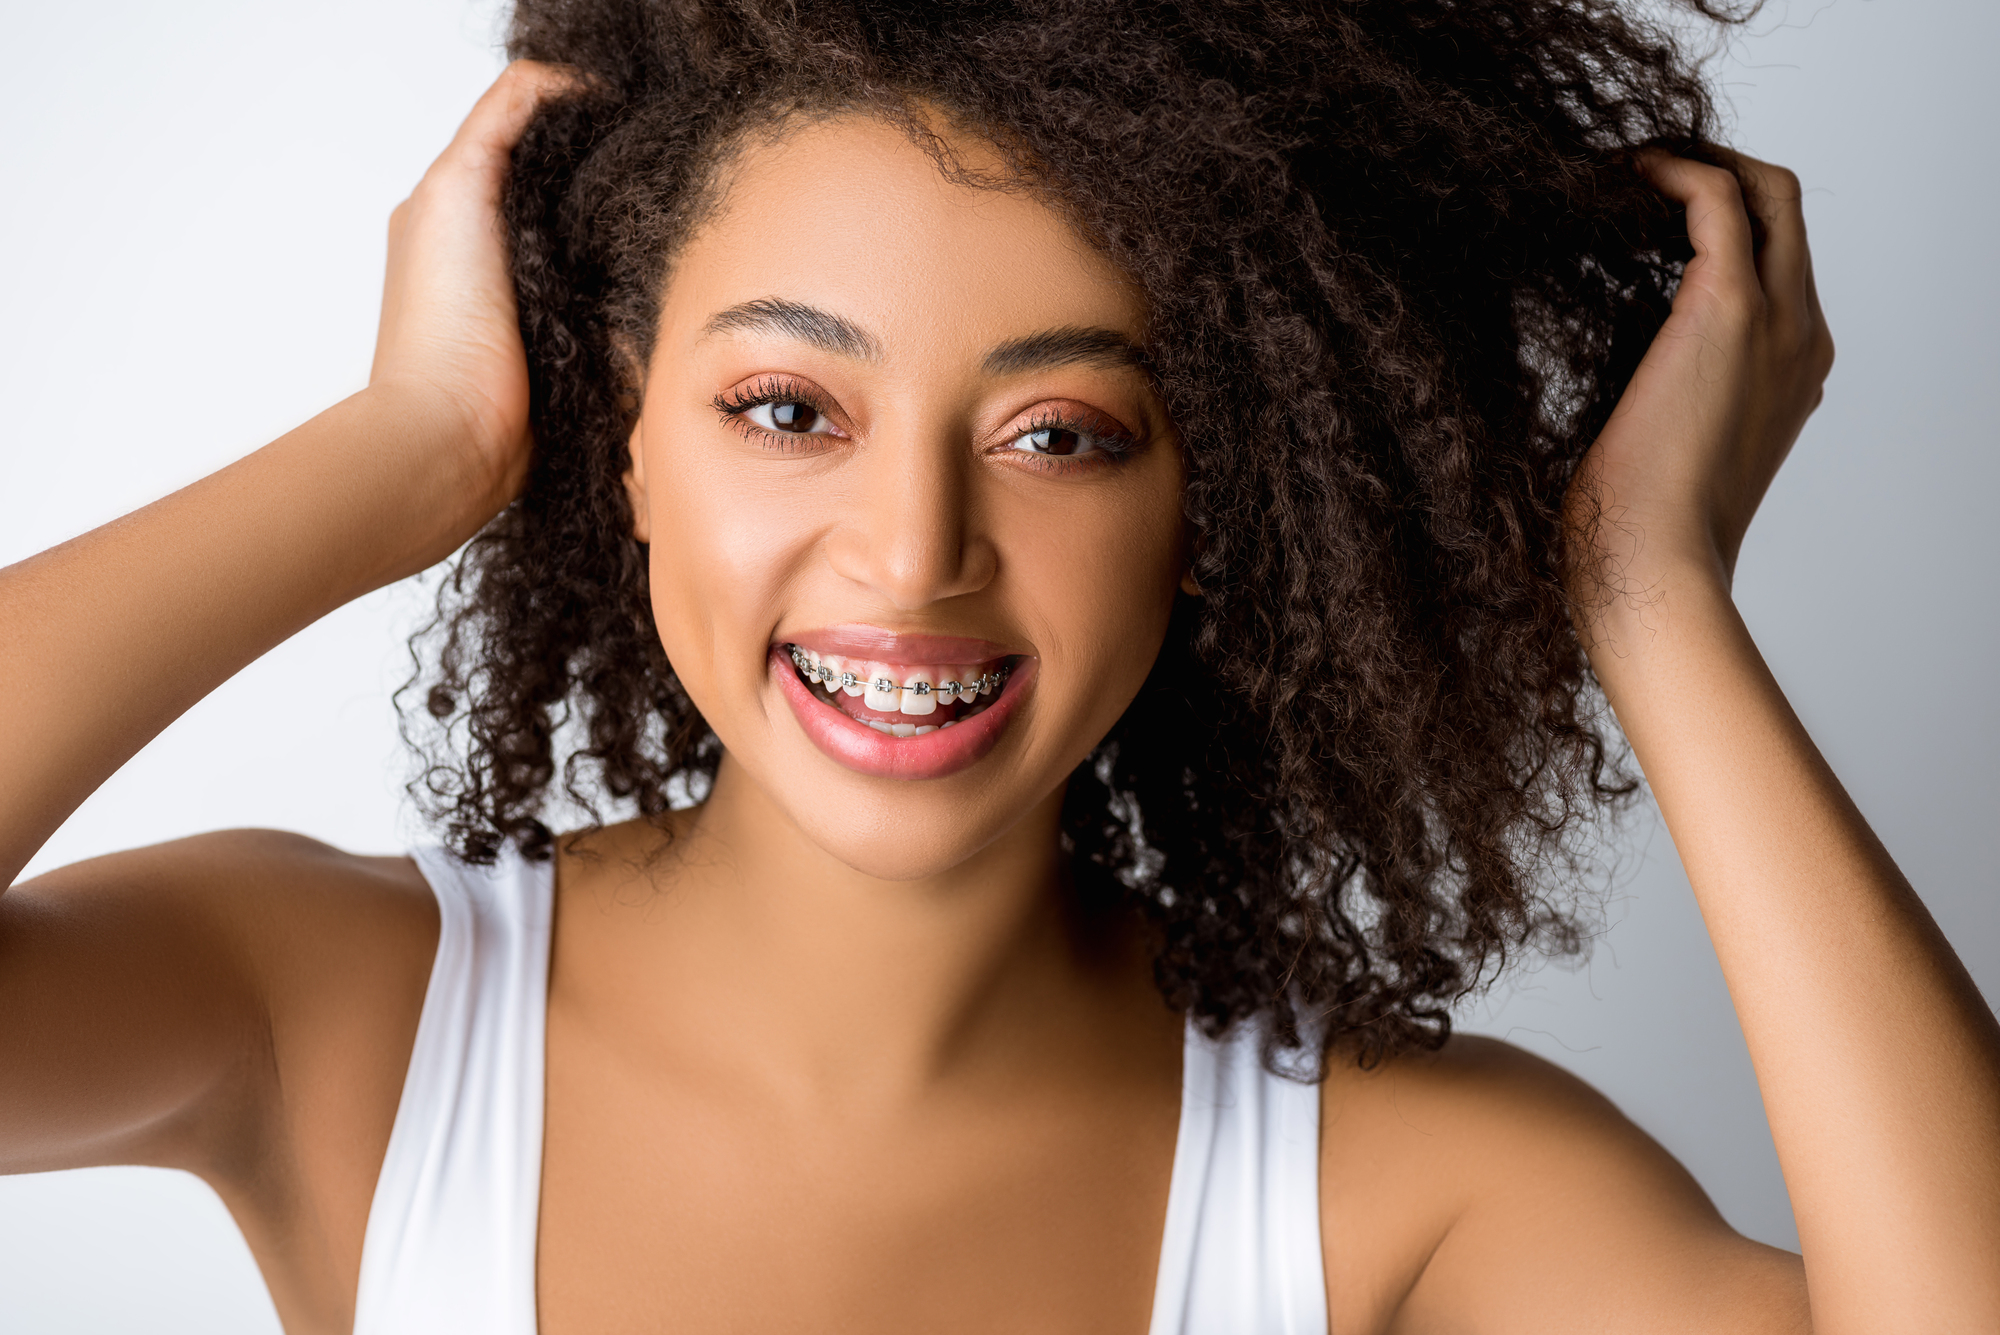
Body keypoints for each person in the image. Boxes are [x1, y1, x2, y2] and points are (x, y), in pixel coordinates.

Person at [2, 0, 1995, 1331]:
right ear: (620, 429)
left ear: (1232, 497)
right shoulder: (335, 1012)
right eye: (787, 406)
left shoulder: (1392, 1180)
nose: (912, 555)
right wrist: (404, 453)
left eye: (1063, 434)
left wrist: (1647, 595)